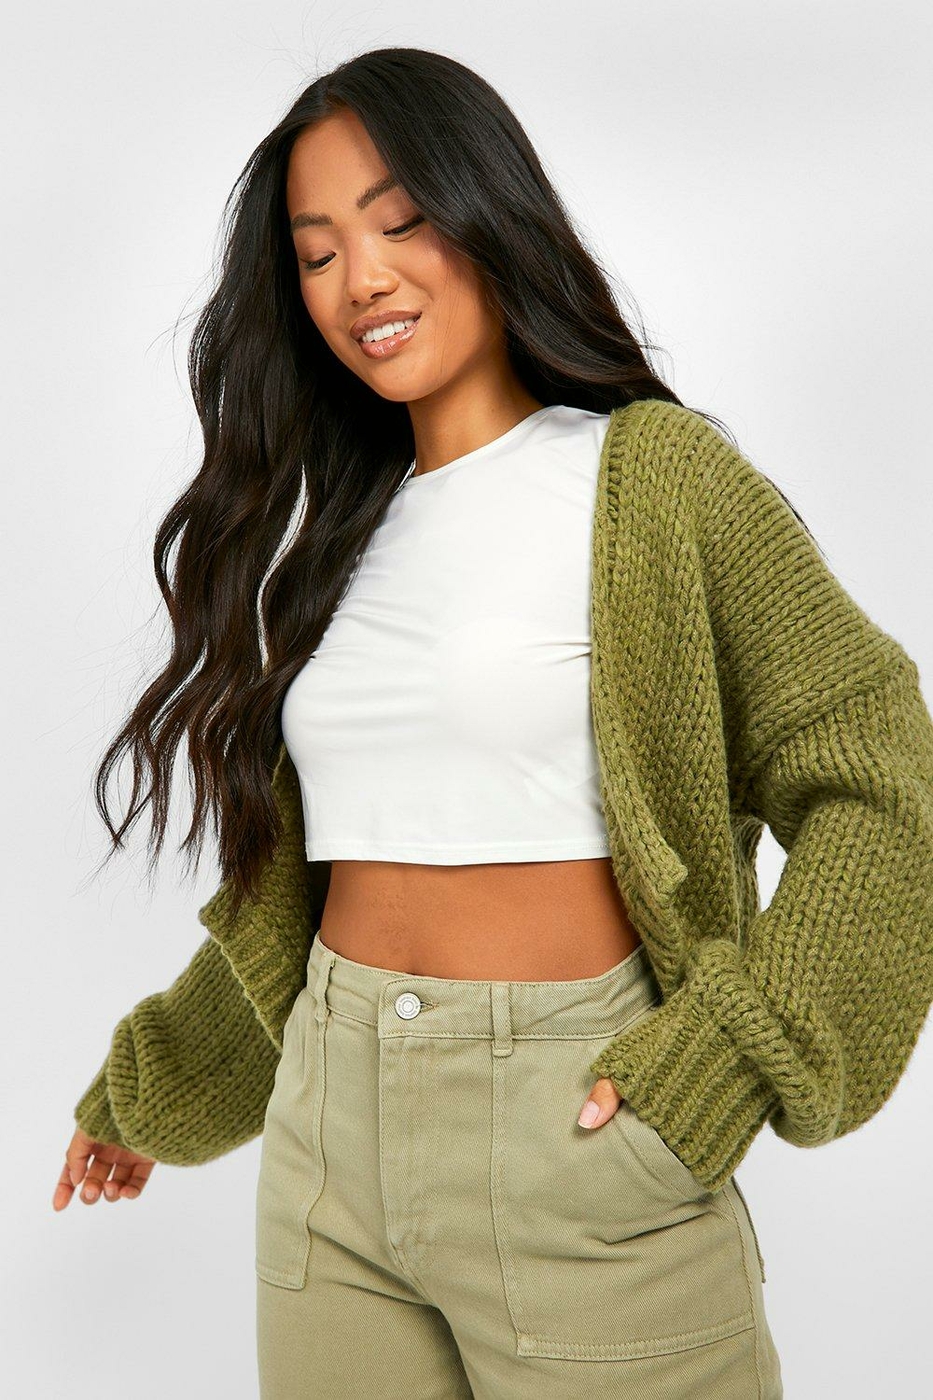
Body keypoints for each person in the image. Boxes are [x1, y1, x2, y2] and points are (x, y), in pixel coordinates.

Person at [55, 47, 933, 1400]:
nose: (361, 278)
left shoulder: (654, 481)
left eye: (400, 222)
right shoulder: (330, 551)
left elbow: (878, 769)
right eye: (317, 252)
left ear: (487, 212)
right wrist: (150, 1090)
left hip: (582, 1140)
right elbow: (308, 911)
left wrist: (728, 1062)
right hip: (327, 1163)